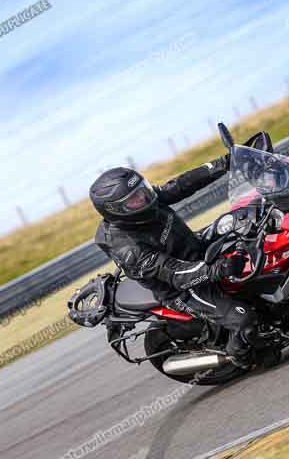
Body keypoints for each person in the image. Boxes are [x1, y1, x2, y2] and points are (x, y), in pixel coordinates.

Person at [89, 156, 258, 368]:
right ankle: (241, 357)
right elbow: (177, 273)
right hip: (182, 289)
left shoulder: (145, 201)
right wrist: (218, 268)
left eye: (142, 190)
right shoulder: (129, 249)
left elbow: (180, 185)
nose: (143, 197)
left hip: (194, 248)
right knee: (245, 321)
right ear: (117, 210)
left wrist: (225, 163)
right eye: (134, 199)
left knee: (244, 218)